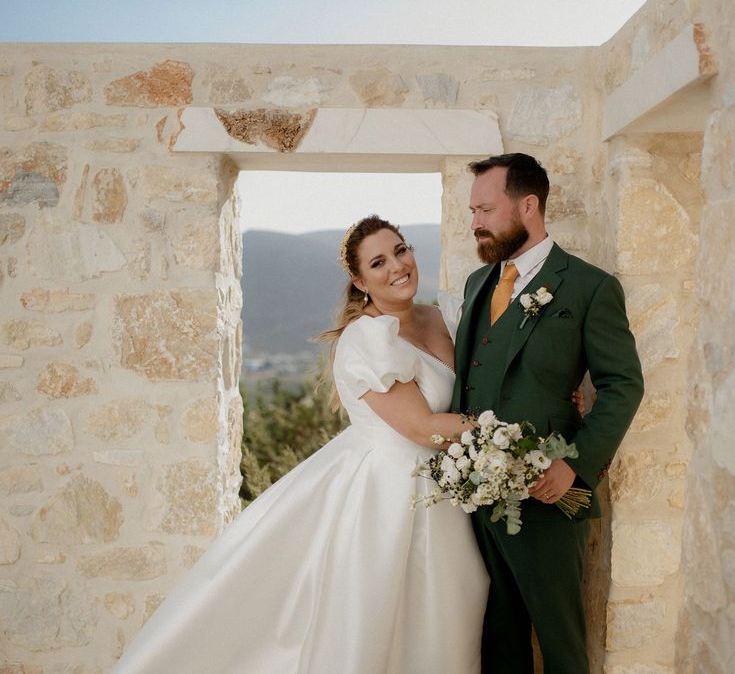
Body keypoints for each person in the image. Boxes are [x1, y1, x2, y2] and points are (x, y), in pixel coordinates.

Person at [113, 215, 489, 674]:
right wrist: (505, 431)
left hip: (444, 488)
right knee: (393, 616)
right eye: (378, 262)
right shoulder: (370, 339)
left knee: (452, 606)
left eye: (401, 249)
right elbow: (421, 426)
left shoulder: (443, 315)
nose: (397, 266)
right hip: (392, 496)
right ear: (359, 280)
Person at [452, 153, 644, 674]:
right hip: (477, 495)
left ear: (528, 205)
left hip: (549, 491)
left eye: (486, 209)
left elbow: (623, 385)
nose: (475, 223)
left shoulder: (589, 287)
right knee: (498, 638)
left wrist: (575, 466)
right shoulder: (477, 284)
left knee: (560, 640)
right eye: (472, 211)